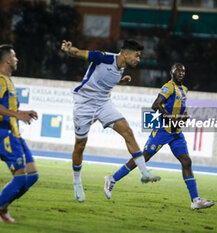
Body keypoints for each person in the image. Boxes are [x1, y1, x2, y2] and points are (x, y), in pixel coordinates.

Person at [61, 39, 160, 202]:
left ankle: (144, 172)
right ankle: (77, 181)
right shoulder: (104, 57)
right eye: (136, 56)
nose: (138, 59)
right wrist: (69, 49)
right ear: (125, 54)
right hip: (84, 104)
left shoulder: (123, 67)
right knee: (80, 146)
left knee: (127, 131)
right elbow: (79, 53)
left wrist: (121, 81)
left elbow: (106, 80)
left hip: (103, 104)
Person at [104, 63, 215, 209]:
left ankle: (195, 200)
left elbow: (178, 110)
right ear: (172, 72)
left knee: (186, 161)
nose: (181, 73)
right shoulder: (168, 87)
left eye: (183, 71)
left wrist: (183, 117)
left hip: (176, 133)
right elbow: (156, 105)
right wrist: (171, 117)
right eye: (178, 70)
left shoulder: (184, 89)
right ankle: (112, 178)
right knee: (144, 157)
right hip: (162, 131)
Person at [0, 44, 39, 223]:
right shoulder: (0, 80)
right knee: (20, 178)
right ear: (8, 60)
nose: (17, 59)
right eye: (14, 57)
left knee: (31, 177)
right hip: (4, 134)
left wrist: (24, 112)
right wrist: (17, 115)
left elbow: (10, 107)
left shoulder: (8, 80)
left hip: (15, 134)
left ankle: (3, 207)